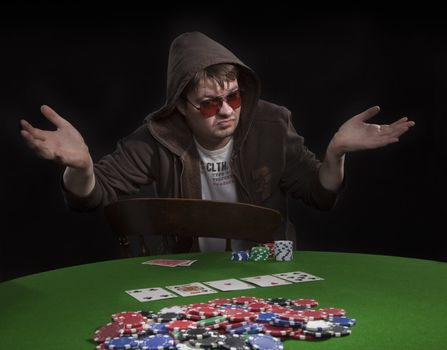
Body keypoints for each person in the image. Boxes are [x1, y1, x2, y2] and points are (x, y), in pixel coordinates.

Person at [19, 31, 415, 253]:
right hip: (191, 272)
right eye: (210, 103)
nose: (227, 111)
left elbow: (318, 193)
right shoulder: (156, 136)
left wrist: (336, 153)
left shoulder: (273, 124)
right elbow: (92, 196)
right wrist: (82, 167)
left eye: (234, 97)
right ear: (182, 106)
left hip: (268, 266)